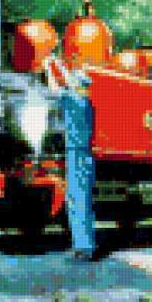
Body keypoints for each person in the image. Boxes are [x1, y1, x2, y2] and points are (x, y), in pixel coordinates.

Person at [44, 56, 96, 260]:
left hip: (77, 154)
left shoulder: (74, 101)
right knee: (79, 199)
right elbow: (69, 83)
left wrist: (49, 67)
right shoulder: (85, 103)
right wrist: (59, 64)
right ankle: (82, 245)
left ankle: (84, 248)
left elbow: (54, 89)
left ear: (78, 84)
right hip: (83, 154)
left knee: (78, 200)